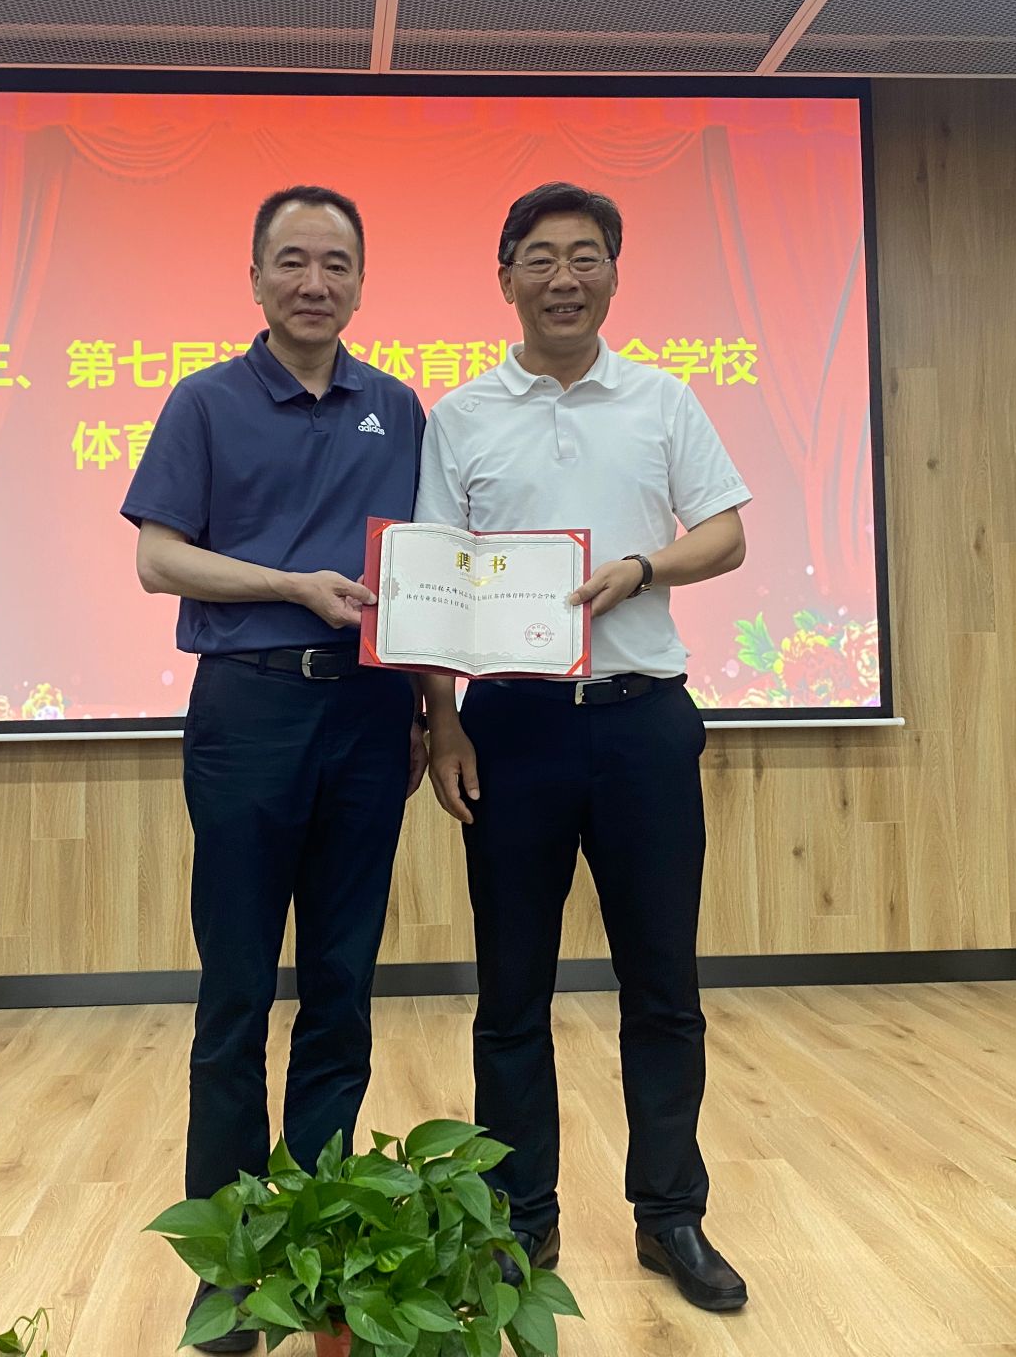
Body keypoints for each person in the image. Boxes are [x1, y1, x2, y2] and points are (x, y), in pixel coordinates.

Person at [415, 181, 752, 1313]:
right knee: (510, 991)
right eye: (541, 259)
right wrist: (443, 722)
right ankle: (519, 1222)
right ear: (505, 276)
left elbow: (725, 533)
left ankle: (671, 1217)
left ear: (613, 272)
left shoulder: (662, 400)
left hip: (643, 719)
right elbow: (431, 583)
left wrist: (643, 569)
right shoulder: (461, 416)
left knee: (664, 986)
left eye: (586, 257)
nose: (564, 278)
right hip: (511, 726)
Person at [123, 185, 426, 1352]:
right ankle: (229, 1267)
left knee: (342, 987)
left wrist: (431, 710)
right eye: (292, 261)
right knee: (237, 991)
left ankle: (323, 1248)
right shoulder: (203, 401)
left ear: (360, 281)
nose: (314, 283)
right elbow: (159, 560)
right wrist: (292, 586)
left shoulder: (397, 408)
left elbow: (426, 572)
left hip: (367, 712)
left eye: (335, 264)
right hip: (248, 706)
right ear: (254, 277)